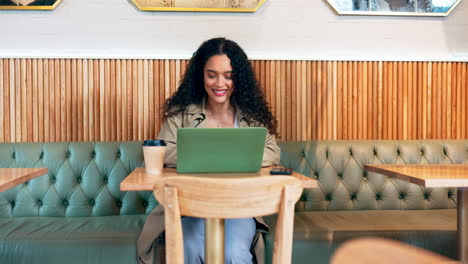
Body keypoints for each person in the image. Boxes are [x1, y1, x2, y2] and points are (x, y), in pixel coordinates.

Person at [137, 37, 280, 264]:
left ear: (239, 78)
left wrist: (207, 156)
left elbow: (271, 151)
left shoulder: (251, 115)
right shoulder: (182, 113)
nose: (219, 83)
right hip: (189, 207)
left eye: (229, 76)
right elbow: (164, 152)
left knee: (235, 253)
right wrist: (231, 157)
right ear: (201, 75)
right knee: (191, 249)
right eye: (211, 75)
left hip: (240, 207)